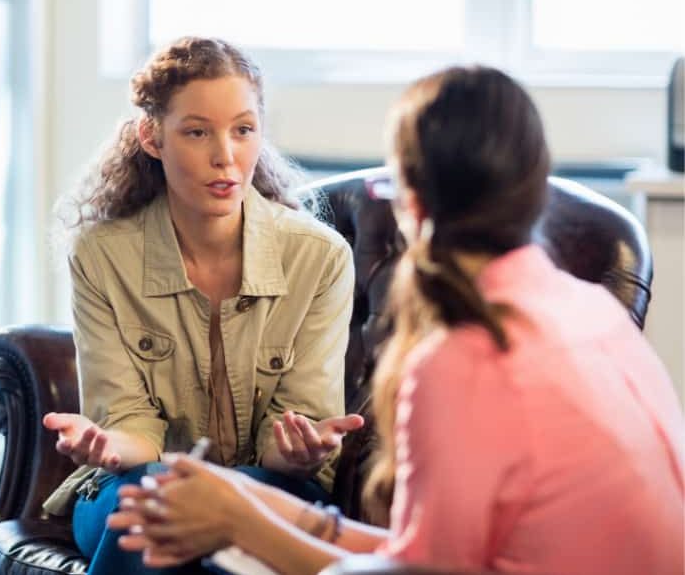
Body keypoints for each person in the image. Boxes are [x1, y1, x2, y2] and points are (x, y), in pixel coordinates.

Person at [111, 66, 685, 575]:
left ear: (412, 202)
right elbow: (429, 555)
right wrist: (260, 503)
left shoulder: (464, 360)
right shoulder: (587, 309)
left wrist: (240, 522)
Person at [41, 36, 363, 575]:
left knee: (203, 512)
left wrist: (299, 449)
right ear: (151, 136)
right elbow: (130, 424)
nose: (225, 155)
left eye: (243, 130)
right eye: (196, 132)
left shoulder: (320, 257)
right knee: (153, 503)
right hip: (129, 482)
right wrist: (107, 445)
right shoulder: (101, 255)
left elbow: (291, 433)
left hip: (269, 483)